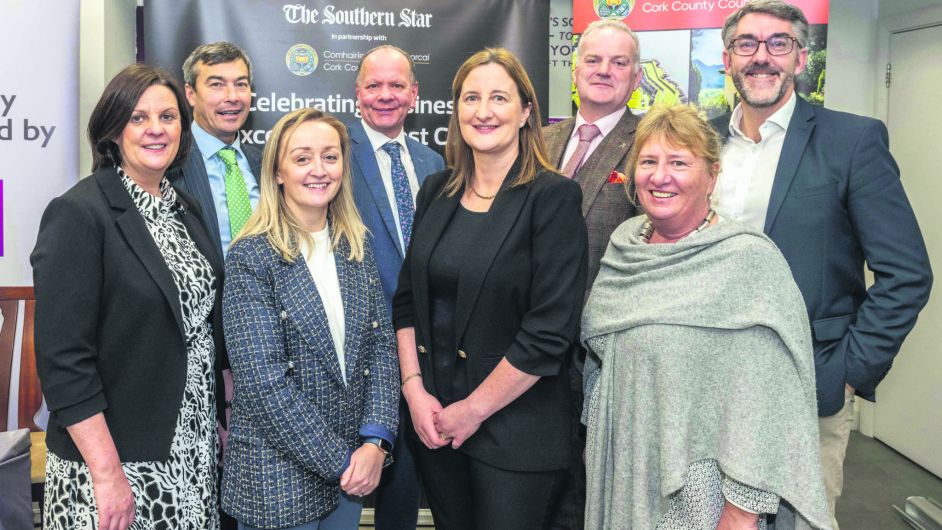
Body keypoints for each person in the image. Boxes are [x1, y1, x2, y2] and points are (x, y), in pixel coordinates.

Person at [712, 2, 933, 527]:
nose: (761, 57)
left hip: (808, 383)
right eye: (747, 44)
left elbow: (907, 274)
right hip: (707, 378)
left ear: (801, 58)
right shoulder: (701, 139)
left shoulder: (851, 140)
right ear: (727, 58)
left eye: (778, 43)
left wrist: (849, 374)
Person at [581, 103, 831, 530]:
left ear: (712, 175)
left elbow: (769, 404)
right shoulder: (626, 246)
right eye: (649, 162)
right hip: (623, 470)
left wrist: (740, 513)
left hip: (701, 491)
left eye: (679, 162)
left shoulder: (747, 261)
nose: (660, 177)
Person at [392, 48, 588, 530]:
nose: (483, 111)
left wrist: (472, 411)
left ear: (525, 112)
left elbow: (549, 332)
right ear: (456, 110)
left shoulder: (553, 196)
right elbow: (406, 302)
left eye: (499, 97)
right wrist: (415, 393)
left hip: (515, 434)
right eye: (470, 98)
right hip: (437, 425)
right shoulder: (435, 191)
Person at [32, 64, 225, 529]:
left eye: (168, 116)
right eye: (138, 118)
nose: (156, 129)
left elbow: (200, 327)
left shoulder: (184, 208)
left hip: (190, 450)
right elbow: (64, 360)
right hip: (114, 460)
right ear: (112, 130)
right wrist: (107, 474)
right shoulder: (79, 213)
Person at [221, 108, 399, 530]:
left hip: (352, 475)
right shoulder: (251, 257)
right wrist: (344, 460)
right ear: (278, 172)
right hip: (277, 479)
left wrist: (375, 442)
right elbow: (265, 386)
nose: (319, 170)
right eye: (302, 158)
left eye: (330, 157)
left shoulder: (354, 246)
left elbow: (381, 350)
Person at [542, 19, 642, 529]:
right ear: (575, 70)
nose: (604, 71)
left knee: (593, 495)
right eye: (594, 60)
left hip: (604, 353)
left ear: (638, 76)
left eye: (619, 62)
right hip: (533, 353)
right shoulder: (541, 139)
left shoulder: (649, 141)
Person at [349, 45, 445, 529]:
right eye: (374, 85)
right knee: (343, 491)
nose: (385, 96)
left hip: (421, 351)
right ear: (357, 93)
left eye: (396, 86)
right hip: (354, 354)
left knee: (404, 492)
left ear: (414, 95)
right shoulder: (335, 154)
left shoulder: (435, 162)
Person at [168, 41, 261, 530]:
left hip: (258, 355)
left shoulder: (262, 162)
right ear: (190, 94)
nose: (232, 96)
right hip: (192, 357)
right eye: (217, 84)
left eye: (241, 84)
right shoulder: (168, 165)